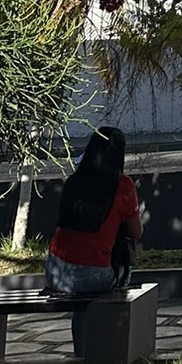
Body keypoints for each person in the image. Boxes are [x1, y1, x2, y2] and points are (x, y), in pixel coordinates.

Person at [46, 126, 143, 346]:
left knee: (84, 303)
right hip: (93, 275)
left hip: (54, 271)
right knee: (121, 260)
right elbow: (136, 233)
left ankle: (80, 351)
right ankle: (108, 347)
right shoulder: (123, 185)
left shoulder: (74, 181)